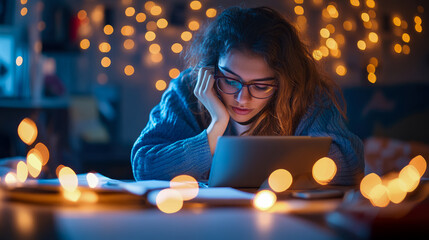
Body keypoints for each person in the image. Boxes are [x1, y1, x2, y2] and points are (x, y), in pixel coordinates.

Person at [131, 6, 364, 185]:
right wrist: (215, 129)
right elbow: (145, 167)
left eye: (261, 86)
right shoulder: (186, 89)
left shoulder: (304, 93)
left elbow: (350, 162)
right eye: (230, 80)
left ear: (282, 82)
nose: (243, 98)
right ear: (212, 69)